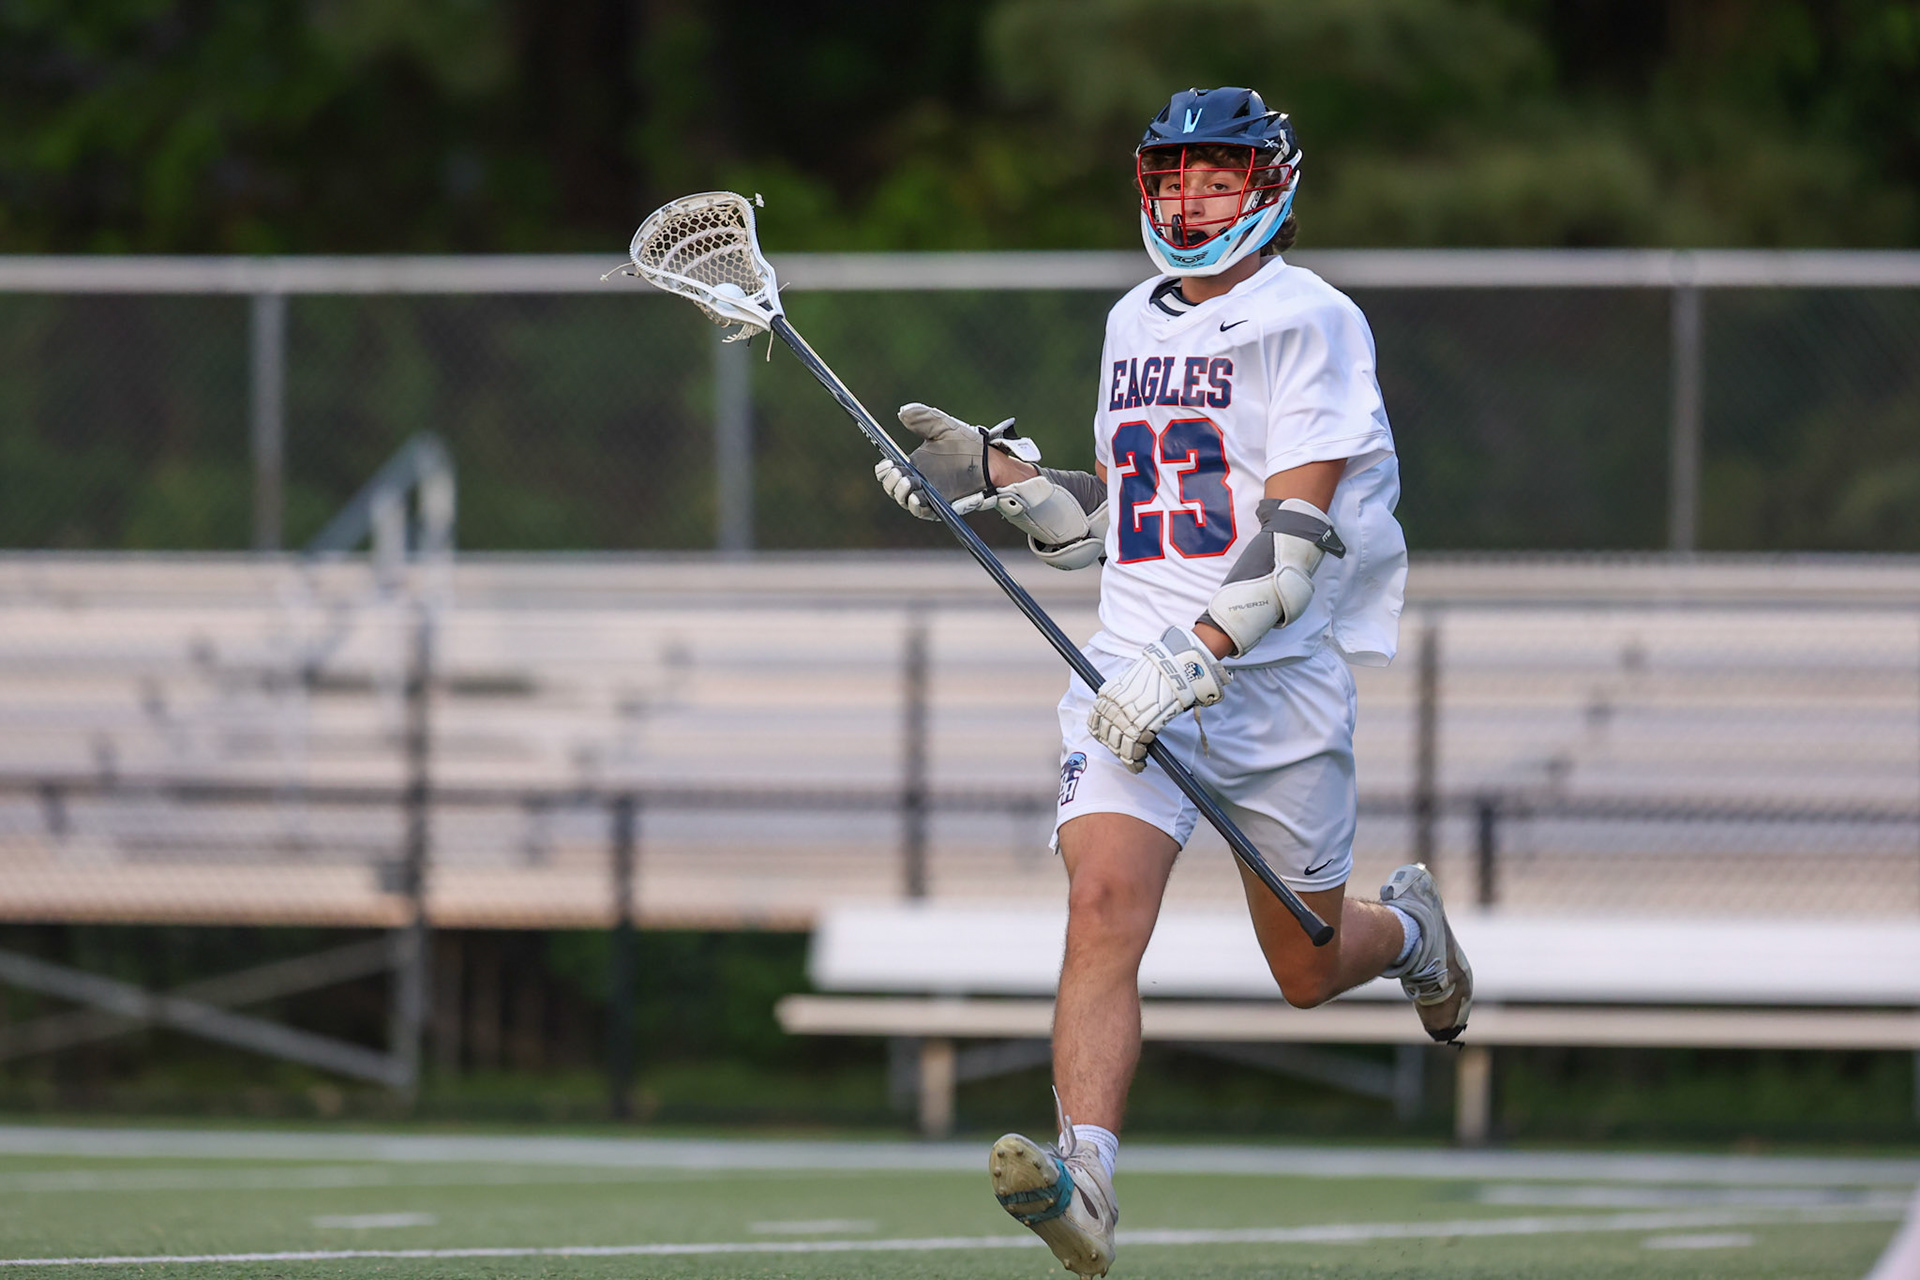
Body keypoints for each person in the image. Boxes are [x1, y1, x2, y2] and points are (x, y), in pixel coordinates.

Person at [874, 85, 1471, 1278]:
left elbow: (1294, 542)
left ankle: (1410, 933)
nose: (1192, 198)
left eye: (1219, 176)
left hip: (1269, 691)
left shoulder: (1316, 321)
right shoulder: (1130, 319)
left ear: (1271, 188)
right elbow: (1123, 526)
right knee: (1102, 904)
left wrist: (1192, 659)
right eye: (1176, 176)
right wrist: (1001, 482)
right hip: (1130, 676)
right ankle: (1085, 1175)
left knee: (1305, 968)